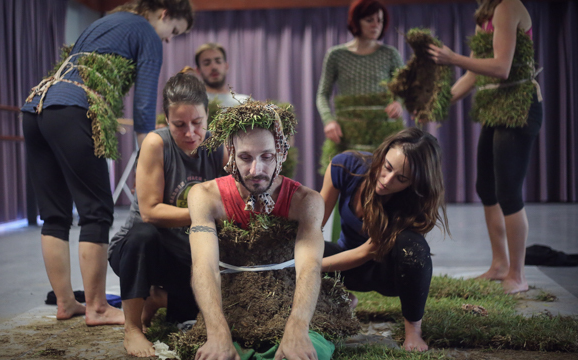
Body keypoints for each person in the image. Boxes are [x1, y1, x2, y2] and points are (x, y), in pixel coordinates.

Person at [20, 0, 194, 326]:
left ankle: (65, 303)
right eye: (173, 32)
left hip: (36, 107)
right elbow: (144, 102)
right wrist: (152, 154)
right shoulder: (147, 33)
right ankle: (97, 307)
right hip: (73, 110)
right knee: (96, 212)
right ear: (165, 13)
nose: (168, 39)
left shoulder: (107, 23)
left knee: (55, 215)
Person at [186, 101, 352, 360]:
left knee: (305, 353)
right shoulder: (205, 196)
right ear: (231, 154)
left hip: (288, 294)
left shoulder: (305, 202)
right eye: (245, 158)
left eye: (266, 157)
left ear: (281, 153)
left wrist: (297, 327)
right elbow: (204, 266)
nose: (256, 170)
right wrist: (218, 333)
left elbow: (309, 266)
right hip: (233, 300)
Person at [108, 72, 227, 357]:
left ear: (207, 116)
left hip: (189, 256)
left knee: (189, 316)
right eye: (179, 125)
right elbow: (149, 212)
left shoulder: (217, 146)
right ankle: (132, 329)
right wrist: (206, 213)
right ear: (166, 120)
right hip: (139, 252)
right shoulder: (156, 143)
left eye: (197, 123)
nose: (190, 133)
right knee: (143, 234)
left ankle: (157, 298)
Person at [428, 0, 542, 294]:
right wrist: (437, 105)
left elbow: (501, 67)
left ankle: (517, 275)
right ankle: (500, 265)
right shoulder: (485, 16)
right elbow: (474, 74)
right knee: (486, 189)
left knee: (508, 192)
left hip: (520, 106)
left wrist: (453, 58)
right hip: (496, 107)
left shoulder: (508, 6)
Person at [319, 128, 449, 351]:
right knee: (293, 246)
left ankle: (413, 331)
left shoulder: (410, 204)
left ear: (414, 182)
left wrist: (310, 266)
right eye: (387, 167)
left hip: (385, 274)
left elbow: (366, 253)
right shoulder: (345, 166)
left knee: (413, 248)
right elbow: (314, 225)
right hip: (345, 266)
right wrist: (300, 259)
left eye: (401, 178)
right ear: (383, 153)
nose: (387, 180)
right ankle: (338, 296)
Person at [317, 0, 404, 145]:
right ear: (356, 21)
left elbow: (404, 89)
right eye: (369, 20)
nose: (376, 25)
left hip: (385, 133)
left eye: (380, 20)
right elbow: (322, 94)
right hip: (347, 134)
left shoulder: (390, 54)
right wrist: (329, 121)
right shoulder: (336, 55)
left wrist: (398, 103)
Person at [195, 43, 250, 107]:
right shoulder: (192, 102)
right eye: (207, 63)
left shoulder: (245, 102)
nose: (214, 67)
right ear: (198, 70)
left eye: (218, 61)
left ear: (226, 66)